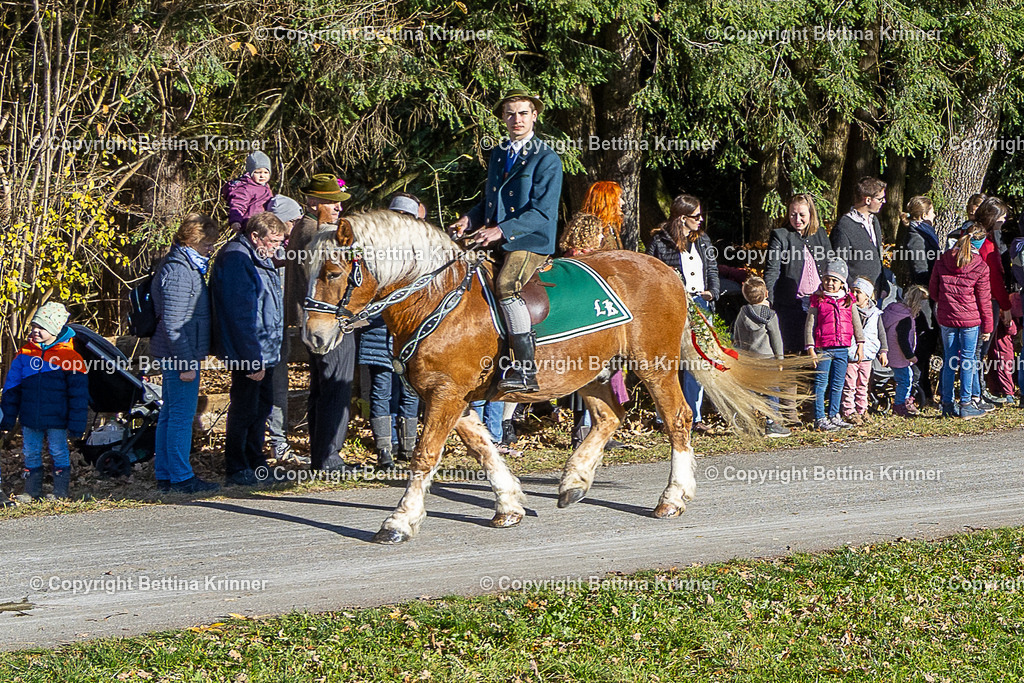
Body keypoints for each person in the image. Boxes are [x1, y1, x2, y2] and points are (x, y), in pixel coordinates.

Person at [449, 90, 563, 393]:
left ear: (534, 116)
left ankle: (525, 371)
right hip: (495, 236)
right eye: (510, 113)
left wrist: (501, 231)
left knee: (506, 285)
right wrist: (469, 220)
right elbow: (490, 201)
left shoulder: (547, 158)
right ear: (503, 118)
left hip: (531, 240)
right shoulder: (500, 153)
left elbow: (542, 211)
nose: (517, 119)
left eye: (523, 113)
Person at [285, 174, 358, 471]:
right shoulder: (319, 233)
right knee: (335, 388)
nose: (339, 209)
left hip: (312, 321)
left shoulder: (304, 228)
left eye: (340, 203)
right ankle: (330, 457)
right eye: (332, 203)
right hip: (327, 322)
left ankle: (322, 455)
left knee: (321, 389)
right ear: (313, 203)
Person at [210, 211, 286, 485]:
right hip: (248, 351)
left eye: (280, 241)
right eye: (273, 241)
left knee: (261, 407)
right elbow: (240, 315)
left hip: (264, 348)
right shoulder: (237, 259)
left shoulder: (259, 258)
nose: (277, 247)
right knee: (245, 408)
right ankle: (237, 465)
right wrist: (251, 359)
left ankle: (256, 461)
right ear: (255, 237)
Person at [149, 213, 221, 494]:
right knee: (180, 415)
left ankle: (166, 473)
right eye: (207, 242)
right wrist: (186, 362)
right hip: (180, 354)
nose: (210, 248)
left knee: (170, 413)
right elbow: (174, 322)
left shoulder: (181, 265)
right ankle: (180, 476)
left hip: (176, 353)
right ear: (194, 239)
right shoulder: (180, 270)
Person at [358, 193, 424, 468]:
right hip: (378, 329)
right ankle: (385, 449)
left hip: (411, 332)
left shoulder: (421, 251)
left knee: (410, 390)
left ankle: (407, 448)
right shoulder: (374, 249)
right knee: (381, 390)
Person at [559, 181, 627, 448]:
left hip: (602, 305)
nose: (622, 204)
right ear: (606, 200)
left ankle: (600, 425)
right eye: (618, 199)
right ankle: (582, 429)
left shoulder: (609, 229)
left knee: (604, 369)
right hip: (588, 303)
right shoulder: (591, 226)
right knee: (587, 367)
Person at [647, 194, 720, 434]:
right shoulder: (659, 242)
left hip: (700, 304)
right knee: (669, 362)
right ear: (682, 218)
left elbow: (712, 270)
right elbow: (649, 275)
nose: (700, 221)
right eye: (696, 216)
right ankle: (664, 416)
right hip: (670, 308)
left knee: (696, 362)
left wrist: (713, 292)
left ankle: (694, 416)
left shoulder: (703, 240)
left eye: (701, 216)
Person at [0, 302, 88, 500]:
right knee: (30, 452)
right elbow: (12, 389)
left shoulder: (70, 357)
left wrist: (77, 424)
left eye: (42, 328)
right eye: (34, 327)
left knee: (58, 451)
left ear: (55, 329)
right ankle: (31, 491)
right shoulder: (24, 355)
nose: (36, 331)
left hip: (57, 418)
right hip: (30, 418)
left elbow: (78, 395)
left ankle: (60, 491)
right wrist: (7, 417)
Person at [763, 194, 835, 422]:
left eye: (802, 214)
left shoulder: (820, 234)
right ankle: (790, 410)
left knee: (819, 355)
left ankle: (818, 409)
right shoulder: (781, 236)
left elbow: (830, 264)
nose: (797, 219)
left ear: (810, 214)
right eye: (793, 214)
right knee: (793, 356)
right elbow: (772, 271)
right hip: (791, 304)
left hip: (819, 304)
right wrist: (769, 300)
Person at [929, 224, 992, 419]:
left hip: (947, 318)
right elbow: (984, 300)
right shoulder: (980, 265)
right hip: (970, 320)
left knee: (949, 360)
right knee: (967, 360)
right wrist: (988, 326)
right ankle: (966, 402)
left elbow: (933, 291)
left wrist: (946, 303)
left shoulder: (942, 259)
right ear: (979, 244)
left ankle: (947, 403)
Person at [265, 194, 310, 466]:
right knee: (269, 390)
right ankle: (273, 443)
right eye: (292, 221)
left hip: (280, 329)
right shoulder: (259, 252)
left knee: (278, 389)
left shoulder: (286, 251)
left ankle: (278, 442)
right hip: (265, 333)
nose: (295, 227)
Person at [805, 258, 865, 431]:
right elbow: (810, 324)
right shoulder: (818, 300)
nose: (830, 283)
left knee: (838, 384)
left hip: (843, 349)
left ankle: (834, 415)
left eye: (834, 280)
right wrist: (810, 347)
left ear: (842, 282)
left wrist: (860, 344)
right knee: (821, 384)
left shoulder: (848, 300)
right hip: (823, 349)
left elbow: (856, 324)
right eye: (827, 279)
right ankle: (820, 417)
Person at [731, 276, 790, 438]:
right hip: (768, 359)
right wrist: (780, 359)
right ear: (766, 293)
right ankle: (772, 424)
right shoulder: (770, 315)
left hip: (749, 359)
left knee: (750, 391)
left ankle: (745, 420)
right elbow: (776, 339)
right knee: (772, 391)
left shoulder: (743, 313)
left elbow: (737, 336)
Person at [899, 196, 941, 407]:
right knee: (923, 343)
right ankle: (916, 392)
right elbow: (919, 268)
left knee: (929, 340)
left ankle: (925, 390)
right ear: (924, 215)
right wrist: (934, 279)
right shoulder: (916, 235)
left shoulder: (925, 232)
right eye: (932, 212)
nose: (934, 216)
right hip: (923, 294)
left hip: (931, 292)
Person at [973, 198, 1013, 408]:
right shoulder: (986, 244)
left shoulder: (976, 237)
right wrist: (1005, 306)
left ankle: (977, 392)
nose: (1005, 219)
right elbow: (994, 277)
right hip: (986, 300)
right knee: (979, 349)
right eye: (1002, 216)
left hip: (978, 300)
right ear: (992, 217)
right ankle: (975, 395)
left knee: (977, 351)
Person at [841, 278, 887, 425]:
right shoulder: (847, 309)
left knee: (863, 384)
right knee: (850, 384)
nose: (854, 294)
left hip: (867, 355)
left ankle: (862, 409)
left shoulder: (875, 313)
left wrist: (883, 351)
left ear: (867, 295)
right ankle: (848, 410)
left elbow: (881, 333)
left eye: (858, 292)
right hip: (851, 354)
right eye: (852, 291)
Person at [831, 177, 887, 295]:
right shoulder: (844, 226)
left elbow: (878, 257)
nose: (884, 202)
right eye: (880, 199)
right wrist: (856, 291)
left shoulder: (874, 221)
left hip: (875, 291)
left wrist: (883, 285)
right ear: (867, 200)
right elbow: (840, 265)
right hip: (855, 296)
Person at [882, 286, 928, 418]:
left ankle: (904, 401)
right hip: (899, 355)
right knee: (905, 381)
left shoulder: (894, 312)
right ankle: (900, 405)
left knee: (907, 377)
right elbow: (903, 340)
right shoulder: (905, 319)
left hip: (893, 352)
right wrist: (910, 355)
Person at [222, 151, 274, 231]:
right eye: (258, 172)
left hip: (263, 224)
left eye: (266, 172)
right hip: (250, 224)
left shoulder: (265, 187)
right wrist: (235, 221)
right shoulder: (245, 188)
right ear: (250, 173)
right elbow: (238, 205)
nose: (262, 175)